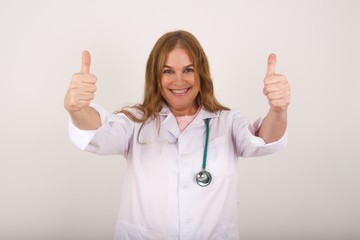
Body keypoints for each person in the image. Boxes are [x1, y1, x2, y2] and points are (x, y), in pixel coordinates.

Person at [64, 30, 290, 240]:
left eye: (188, 70)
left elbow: (264, 140)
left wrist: (278, 111)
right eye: (168, 71)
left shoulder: (227, 122)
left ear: (201, 73)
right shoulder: (136, 122)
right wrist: (78, 109)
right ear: (156, 76)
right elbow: (97, 133)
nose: (179, 81)